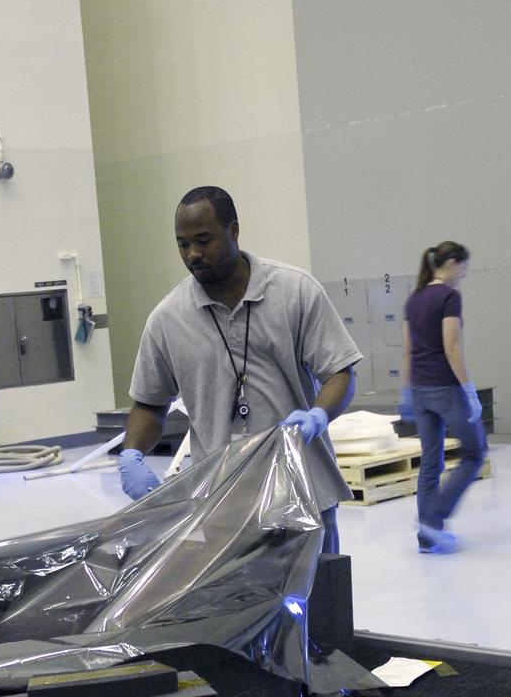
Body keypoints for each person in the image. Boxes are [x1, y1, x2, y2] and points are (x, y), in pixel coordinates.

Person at [117, 186, 362, 553]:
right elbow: (150, 404)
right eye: (183, 244)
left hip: (302, 491)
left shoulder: (294, 292)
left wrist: (317, 416)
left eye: (203, 240)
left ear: (233, 231)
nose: (193, 254)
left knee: (317, 603)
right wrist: (131, 453)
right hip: (220, 503)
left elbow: (340, 371)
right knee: (236, 607)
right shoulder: (167, 319)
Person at [399, 242, 486, 554]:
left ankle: (427, 537)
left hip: (420, 391)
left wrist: (407, 391)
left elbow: (408, 349)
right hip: (445, 389)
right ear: (451, 262)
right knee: (476, 452)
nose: (464, 273)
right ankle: (434, 517)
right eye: (463, 266)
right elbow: (451, 347)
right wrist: (469, 390)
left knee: (431, 461)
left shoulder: (415, 298)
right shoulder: (449, 297)